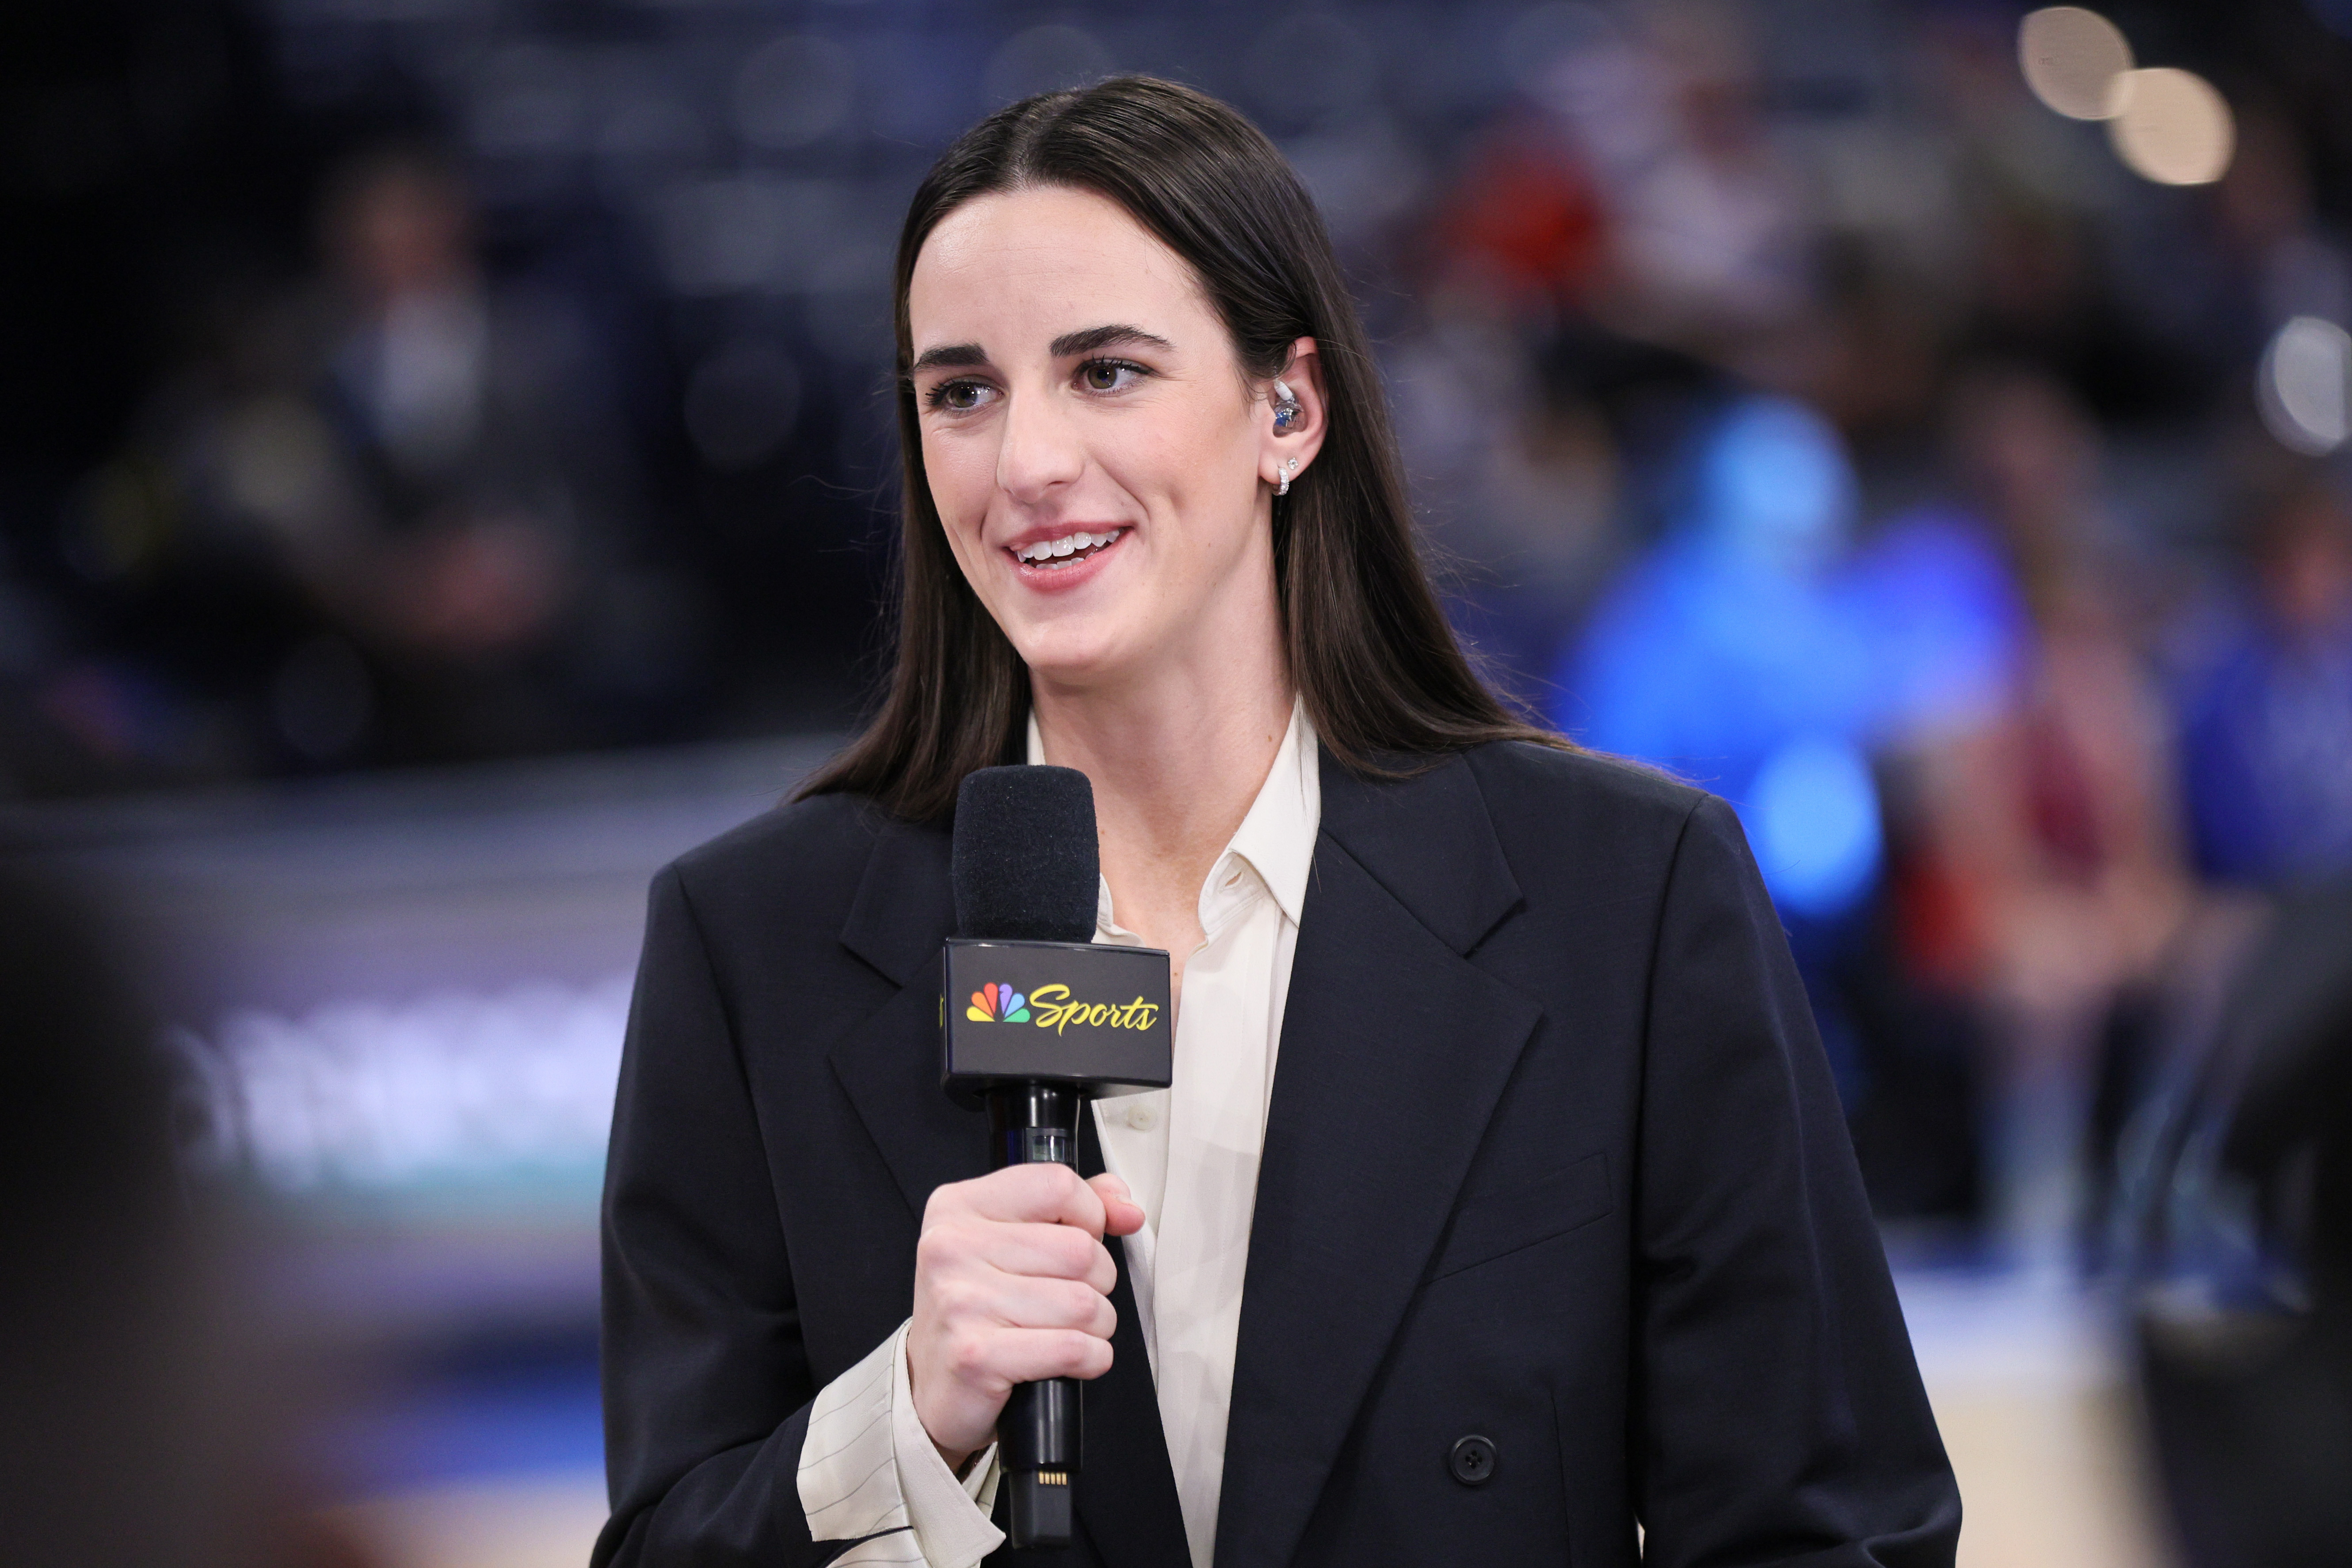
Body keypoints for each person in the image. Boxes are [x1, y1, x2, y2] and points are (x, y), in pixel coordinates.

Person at [596, 78, 1958, 1568]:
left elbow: (1827, 1532)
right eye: (961, 392)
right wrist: (908, 1415)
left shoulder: (1625, 895)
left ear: (1287, 409)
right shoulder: (753, 944)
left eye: (1105, 371)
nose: (1026, 461)